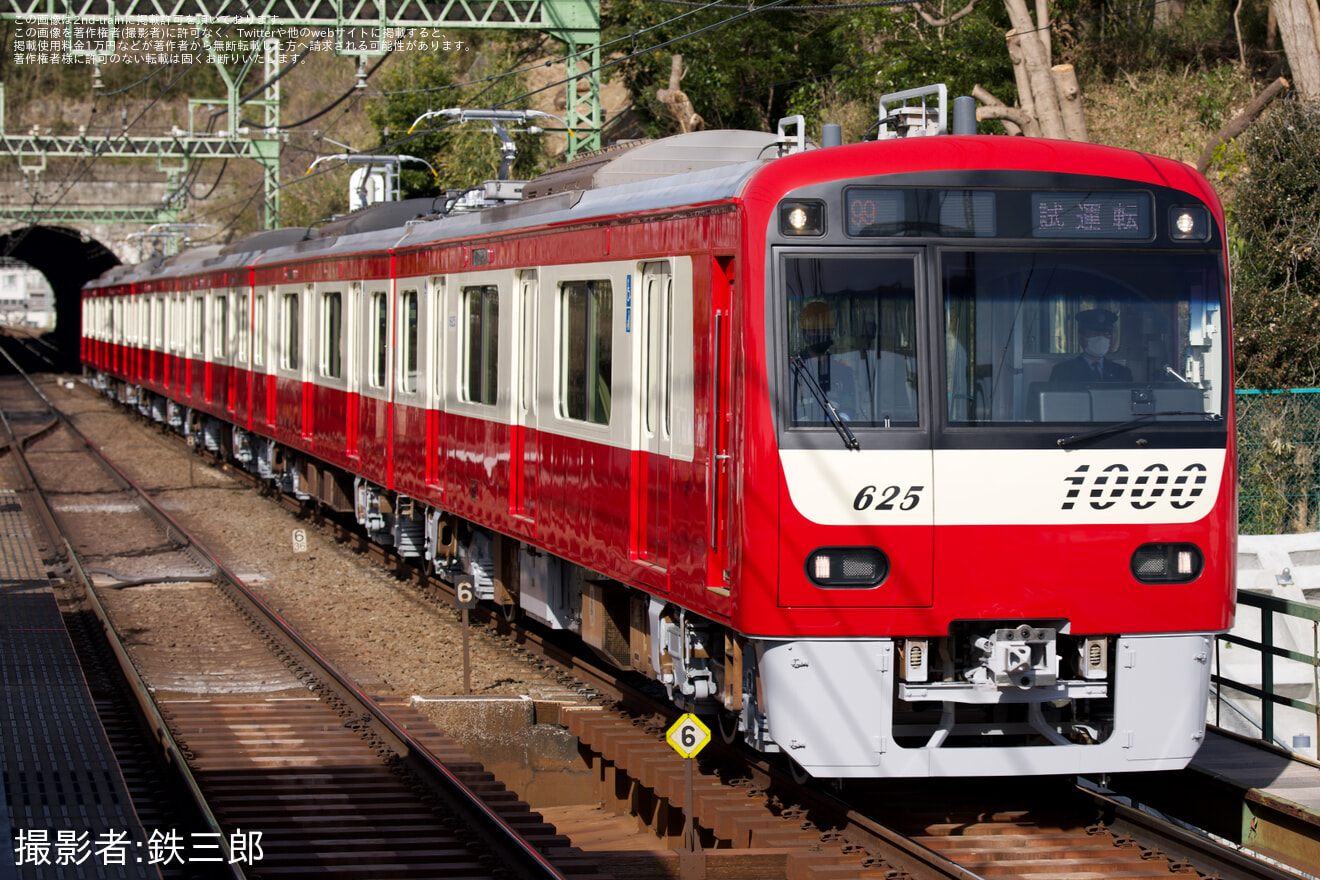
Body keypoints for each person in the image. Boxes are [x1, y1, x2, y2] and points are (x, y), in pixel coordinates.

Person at [793, 300, 858, 420]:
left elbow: (849, 408)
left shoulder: (843, 370)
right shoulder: (792, 370)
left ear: (832, 332)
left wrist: (836, 424)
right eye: (814, 331)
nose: (820, 334)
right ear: (804, 333)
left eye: (825, 330)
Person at [1050, 308, 1133, 383]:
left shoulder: (1122, 373)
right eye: (1095, 333)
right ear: (1081, 338)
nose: (1101, 338)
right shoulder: (1063, 371)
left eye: (1106, 334)